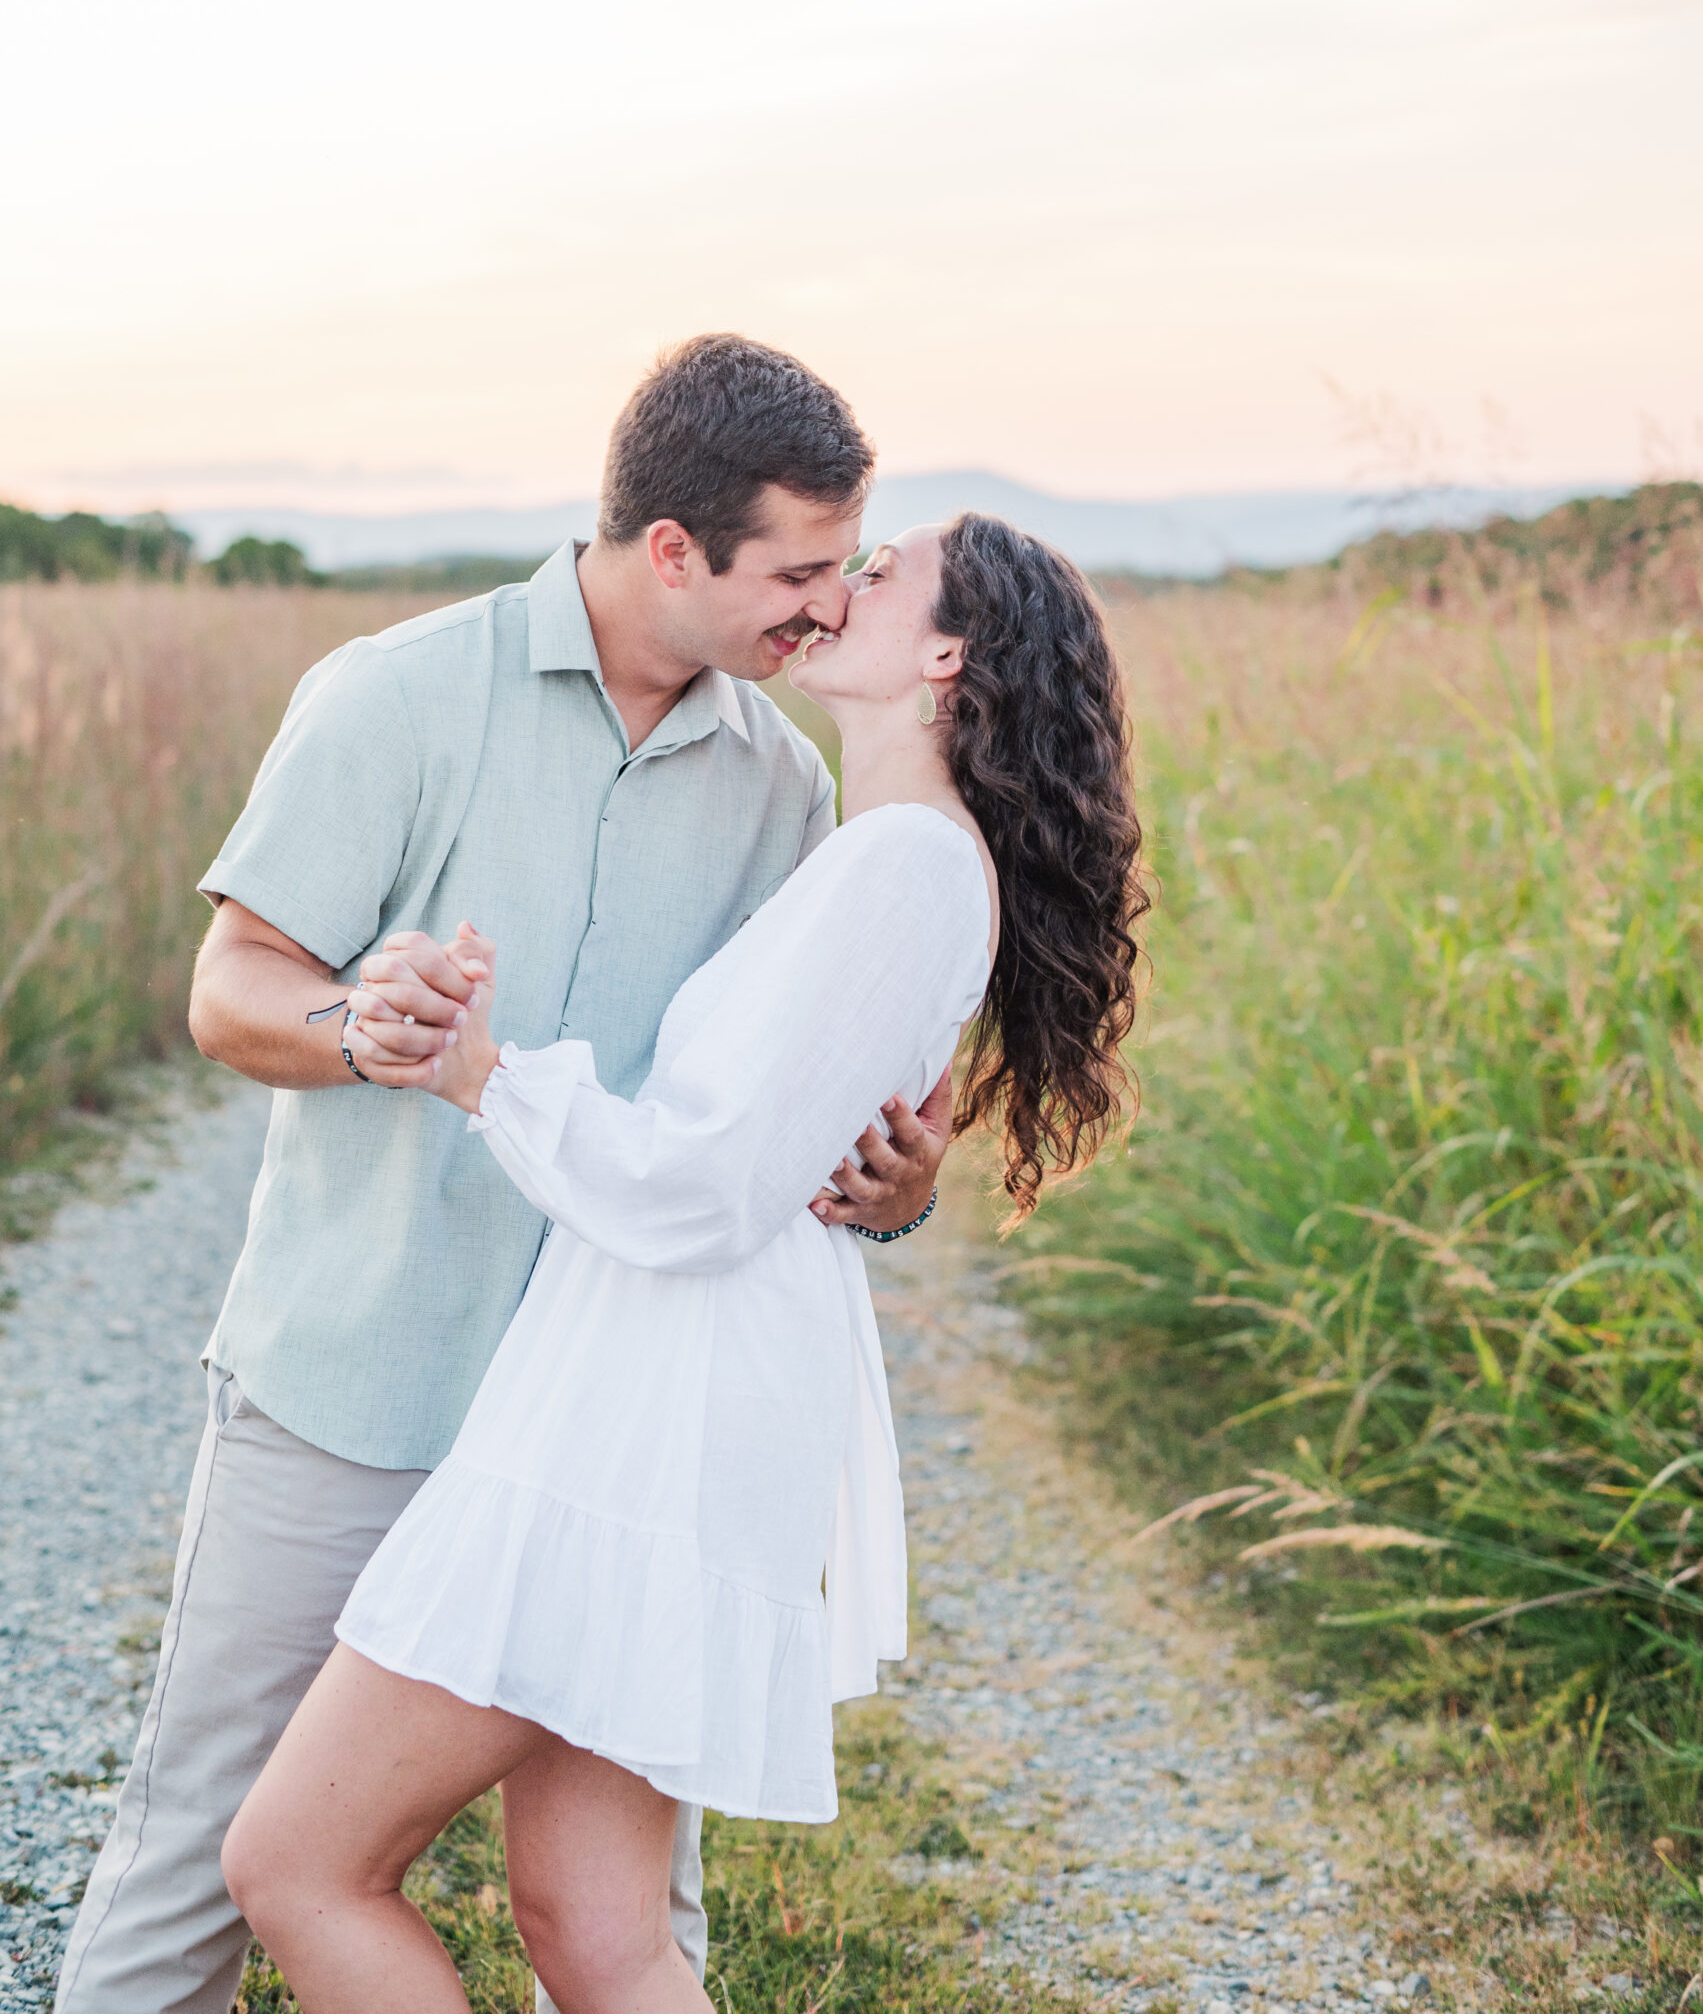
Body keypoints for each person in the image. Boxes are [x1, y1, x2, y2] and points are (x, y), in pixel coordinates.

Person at [55, 336, 956, 2014]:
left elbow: (775, 1126)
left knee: (620, 1915)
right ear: (674, 549)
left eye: (851, 571)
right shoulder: (395, 694)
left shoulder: (786, 785)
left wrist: (893, 1185)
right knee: (207, 1853)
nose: (832, 610)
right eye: (802, 571)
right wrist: (362, 1022)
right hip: (359, 1390)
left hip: (616, 1443)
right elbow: (233, 987)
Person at [220, 512, 1146, 2014]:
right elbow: (775, 1160)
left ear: (948, 657)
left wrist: (482, 1074)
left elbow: (704, 1190)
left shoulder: (905, 864)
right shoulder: (881, 855)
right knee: (596, 1932)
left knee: (299, 1865)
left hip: (650, 1415)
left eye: (881, 573)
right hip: (668, 1389)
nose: (841, 590)